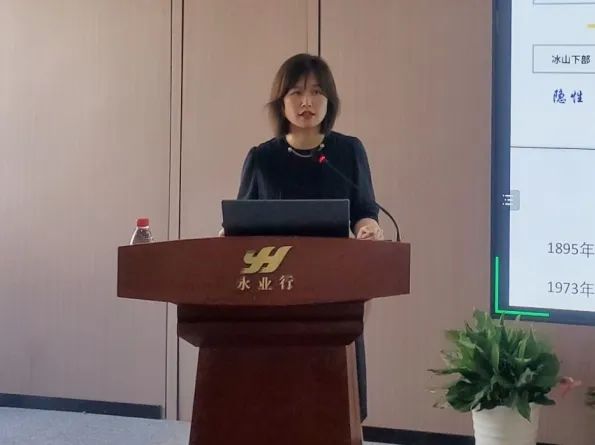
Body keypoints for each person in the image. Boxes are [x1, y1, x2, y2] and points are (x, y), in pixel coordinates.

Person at [236, 53, 383, 421]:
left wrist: (367, 228)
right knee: (278, 398)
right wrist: (228, 231)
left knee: (334, 401)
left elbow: (364, 208)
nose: (307, 102)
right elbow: (241, 221)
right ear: (281, 100)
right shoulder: (262, 158)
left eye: (317, 92)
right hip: (275, 287)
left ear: (329, 100)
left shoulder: (347, 151)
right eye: (297, 92)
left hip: (333, 286)